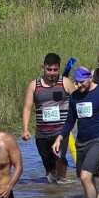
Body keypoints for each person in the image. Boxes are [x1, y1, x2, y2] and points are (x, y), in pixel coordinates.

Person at [54, 65, 99, 198]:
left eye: (82, 82)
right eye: (76, 82)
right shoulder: (74, 97)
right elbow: (70, 121)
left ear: (90, 78)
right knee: (89, 180)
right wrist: (59, 138)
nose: (78, 85)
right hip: (81, 142)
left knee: (85, 177)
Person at [21, 52, 70, 183]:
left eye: (55, 69)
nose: (52, 73)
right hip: (42, 133)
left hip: (61, 131)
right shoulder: (34, 85)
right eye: (49, 69)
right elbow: (27, 107)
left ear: (59, 68)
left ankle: (62, 183)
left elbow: (78, 101)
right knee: (48, 165)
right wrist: (25, 129)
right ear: (43, 67)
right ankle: (52, 186)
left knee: (59, 157)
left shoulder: (65, 82)